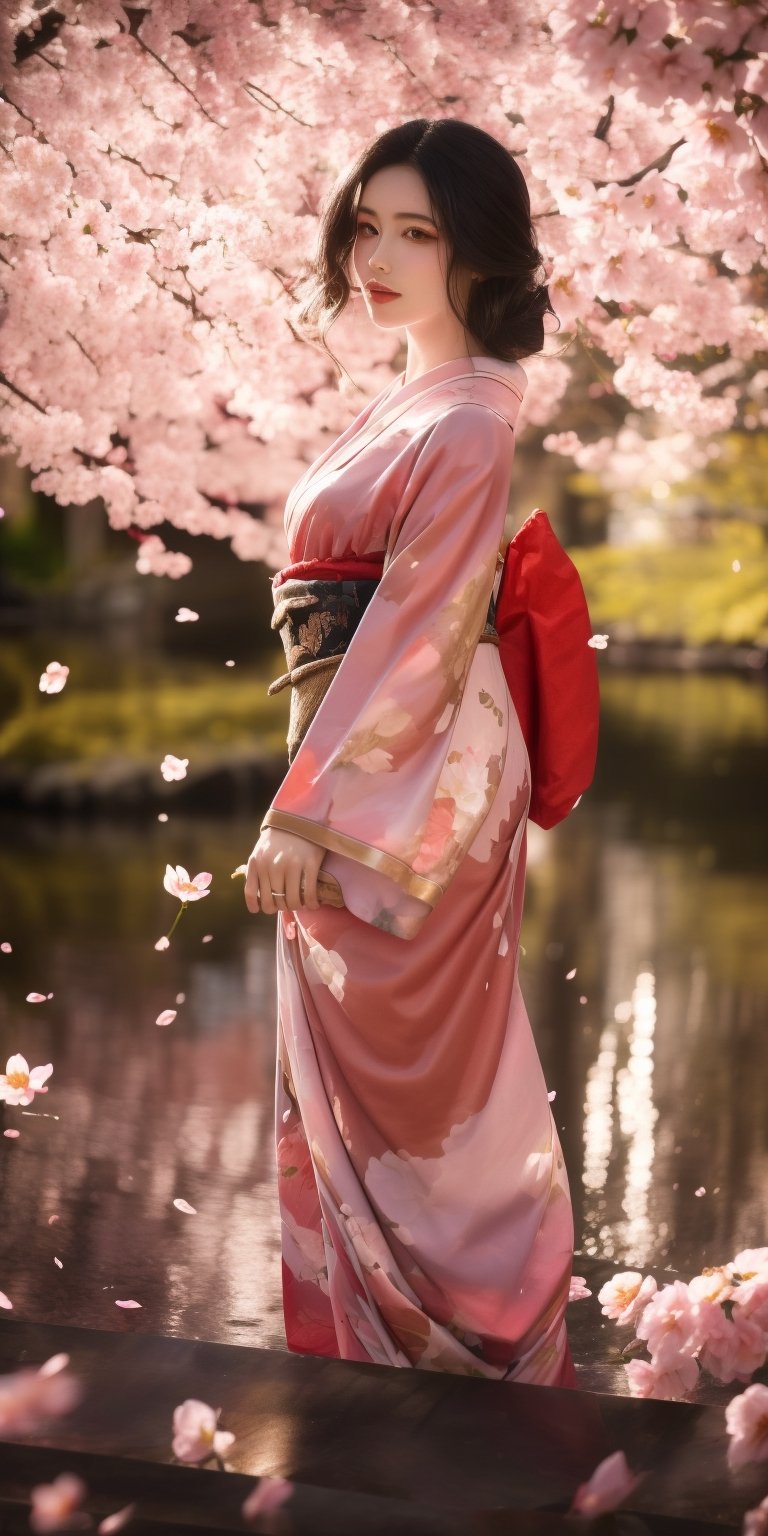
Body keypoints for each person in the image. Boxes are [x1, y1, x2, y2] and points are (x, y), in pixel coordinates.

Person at [243, 118, 581, 1388]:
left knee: (419, 1090)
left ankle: (467, 1362)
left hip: (413, 778)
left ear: (478, 252)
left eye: (419, 233)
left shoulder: (472, 421)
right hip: (377, 756)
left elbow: (423, 624)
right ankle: (374, 1378)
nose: (377, 256)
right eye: (367, 225)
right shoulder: (421, 398)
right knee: (366, 1084)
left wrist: (306, 814)